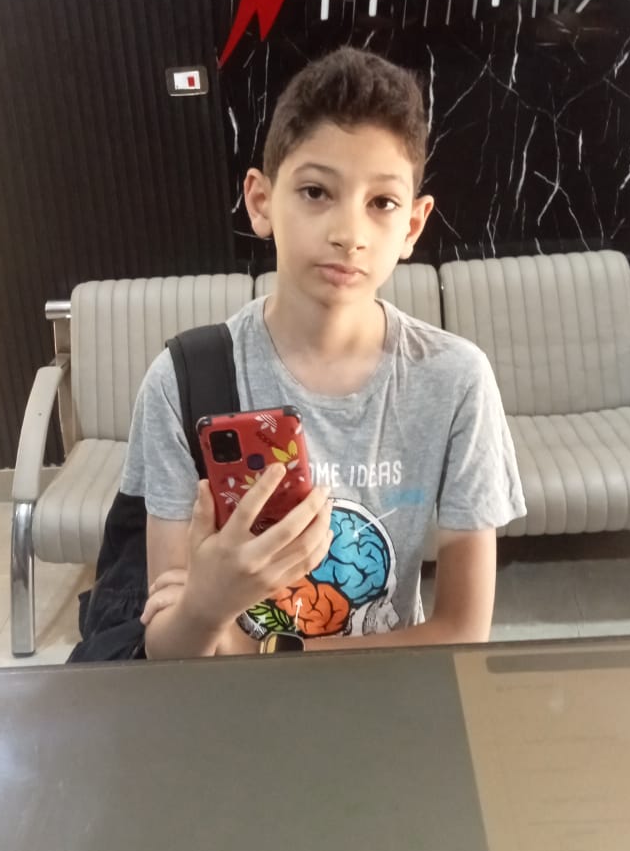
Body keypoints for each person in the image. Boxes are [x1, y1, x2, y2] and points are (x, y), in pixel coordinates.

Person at [125, 46, 525, 658]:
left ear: (413, 226)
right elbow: (167, 650)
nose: (349, 233)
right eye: (316, 191)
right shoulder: (182, 381)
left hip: (390, 695)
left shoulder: (454, 380)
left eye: (381, 203)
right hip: (234, 708)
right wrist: (205, 606)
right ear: (261, 201)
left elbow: (464, 632)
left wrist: (254, 654)